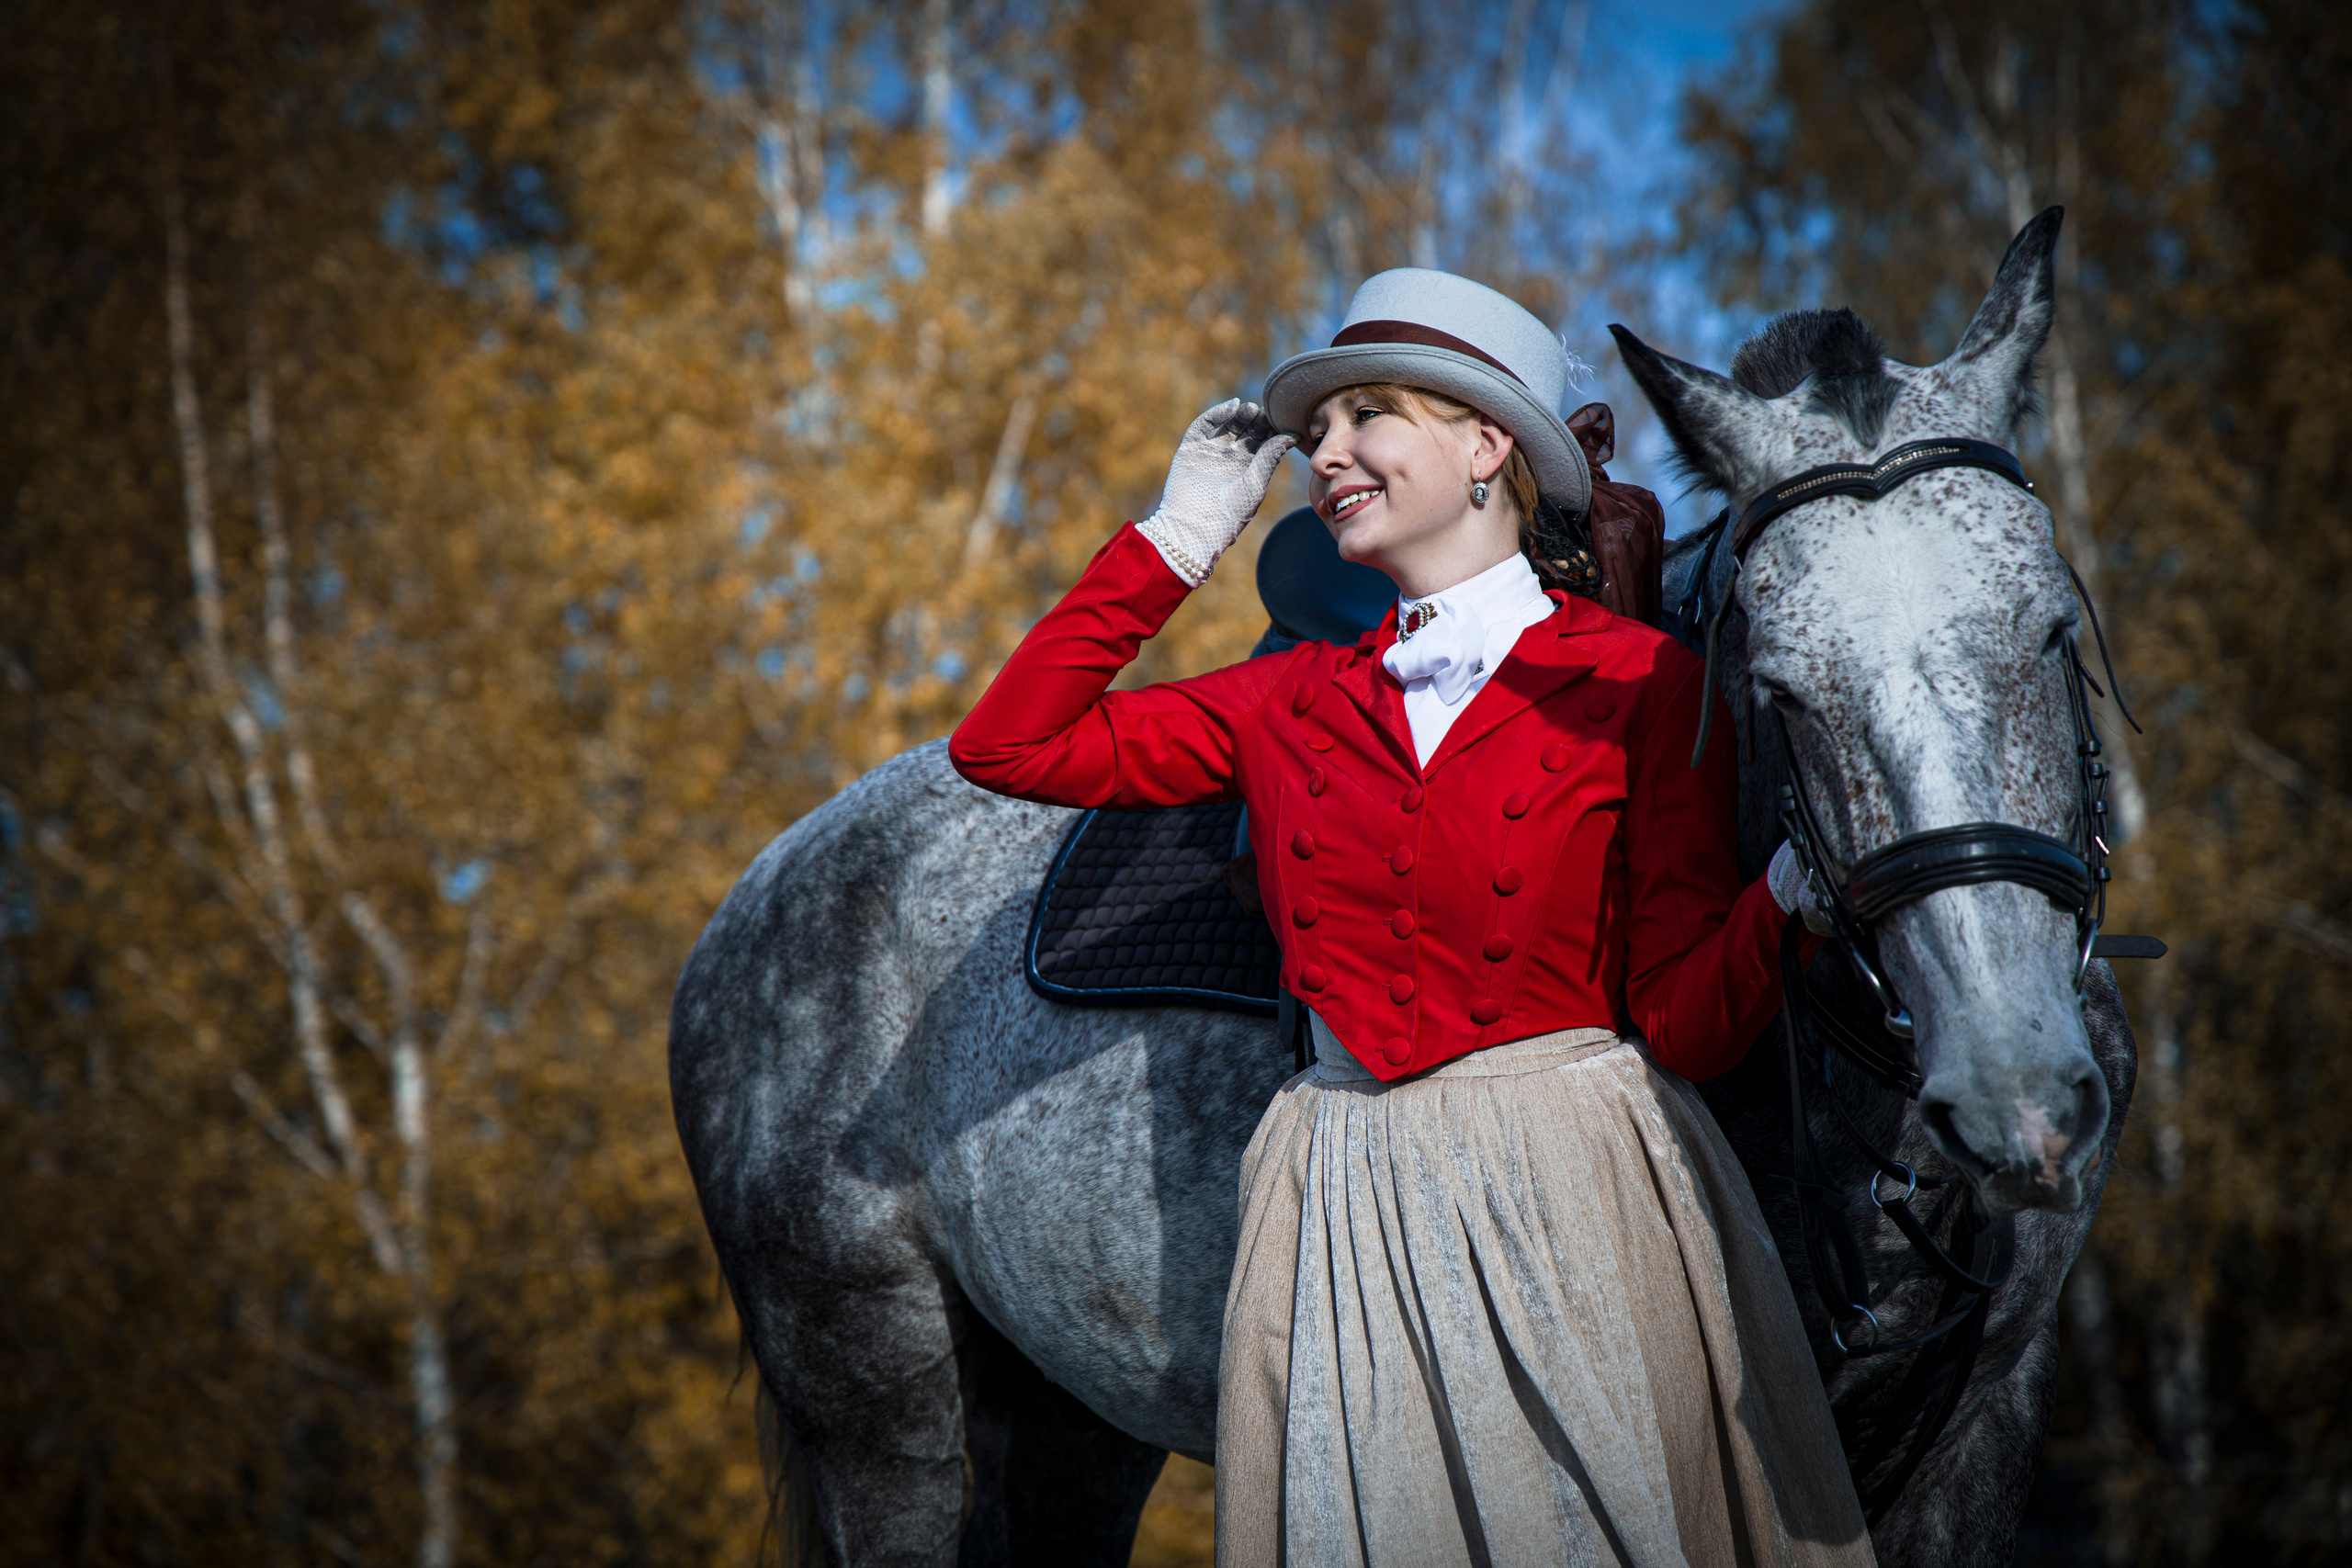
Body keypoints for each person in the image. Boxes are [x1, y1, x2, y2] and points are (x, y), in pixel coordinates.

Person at [950, 269, 1872, 1568]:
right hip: (1336, 1196)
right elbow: (1006, 747)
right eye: (1318, 431)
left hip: (1574, 1187)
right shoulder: (1284, 701)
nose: (1325, 453)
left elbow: (1680, 1021)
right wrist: (1174, 539)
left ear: (1487, 445)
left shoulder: (1644, 683)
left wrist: (1789, 903)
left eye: (1367, 416)